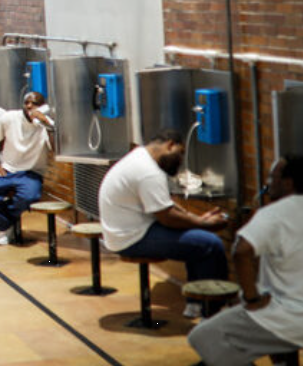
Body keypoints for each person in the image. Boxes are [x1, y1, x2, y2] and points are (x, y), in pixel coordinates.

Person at [98, 129, 228, 318]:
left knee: (195, 241)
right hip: (132, 238)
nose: (181, 160)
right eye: (181, 153)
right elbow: (167, 216)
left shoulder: (139, 158)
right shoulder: (148, 171)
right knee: (210, 244)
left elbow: (165, 205)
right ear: (170, 145)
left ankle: (196, 304)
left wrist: (196, 220)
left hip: (124, 232)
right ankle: (215, 309)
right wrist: (204, 224)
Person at [189, 154, 303, 365]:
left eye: (272, 178)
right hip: (289, 316)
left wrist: (252, 298)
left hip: (287, 316)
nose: (267, 184)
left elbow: (241, 251)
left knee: (203, 336)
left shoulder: (274, 213)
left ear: (288, 183)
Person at [0, 91, 55, 245]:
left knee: (29, 197)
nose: (30, 106)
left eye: (35, 104)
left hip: (31, 172)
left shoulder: (46, 125)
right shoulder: (10, 118)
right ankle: (5, 225)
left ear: (43, 107)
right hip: (7, 168)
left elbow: (55, 147)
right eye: (27, 103)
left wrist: (45, 122)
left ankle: (2, 222)